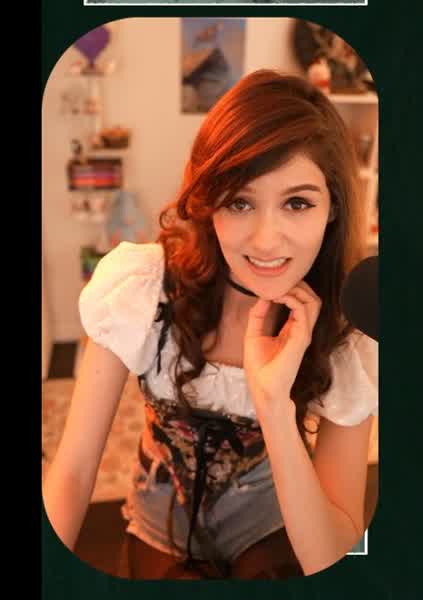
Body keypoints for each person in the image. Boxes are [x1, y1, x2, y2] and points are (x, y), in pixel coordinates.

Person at [42, 69, 378, 580]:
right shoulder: (142, 290)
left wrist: (274, 407)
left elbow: (332, 558)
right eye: (240, 202)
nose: (266, 240)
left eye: (297, 203)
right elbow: (73, 470)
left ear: (331, 208)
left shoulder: (346, 341)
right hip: (159, 515)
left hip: (272, 517)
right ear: (208, 204)